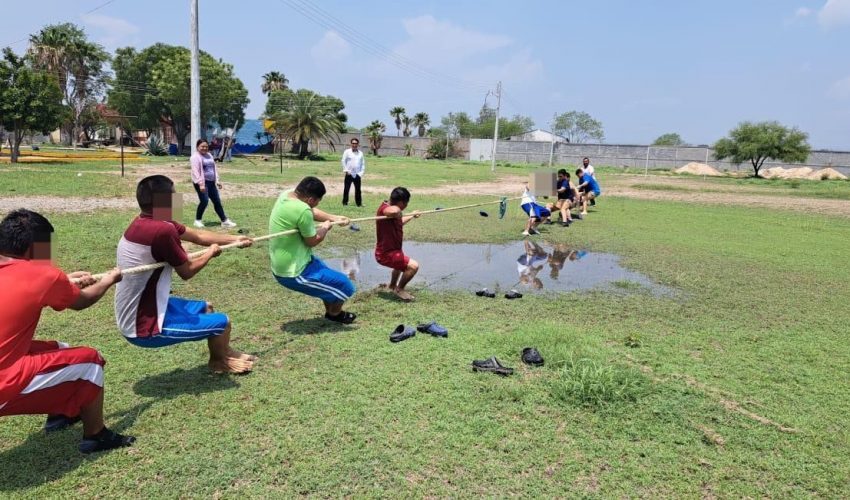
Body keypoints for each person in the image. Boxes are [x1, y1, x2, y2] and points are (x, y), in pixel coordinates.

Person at [0, 209, 135, 454]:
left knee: (60, 349)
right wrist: (108, 280)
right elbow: (82, 301)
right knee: (91, 362)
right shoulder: (43, 275)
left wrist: (64, 279)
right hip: (3, 382)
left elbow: (30, 284)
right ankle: (96, 435)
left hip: (7, 358)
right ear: (34, 249)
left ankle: (61, 413)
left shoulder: (30, 273)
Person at [114, 175, 256, 374]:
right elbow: (187, 271)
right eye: (174, 196)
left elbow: (198, 235)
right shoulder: (161, 230)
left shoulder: (145, 221)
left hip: (146, 307)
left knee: (206, 308)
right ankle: (219, 361)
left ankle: (224, 352)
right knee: (223, 323)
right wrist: (210, 254)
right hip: (141, 327)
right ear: (162, 201)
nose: (177, 199)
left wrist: (235, 239)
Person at [269, 176, 356, 324]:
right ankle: (334, 314)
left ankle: (330, 310)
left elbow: (311, 212)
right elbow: (312, 241)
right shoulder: (302, 210)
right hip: (293, 271)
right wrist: (325, 228)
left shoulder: (288, 195)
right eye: (318, 200)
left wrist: (334, 218)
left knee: (330, 280)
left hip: (302, 259)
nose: (317, 203)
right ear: (310, 199)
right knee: (345, 286)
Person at [375, 187, 421, 302]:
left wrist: (411, 215)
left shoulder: (393, 215)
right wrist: (398, 211)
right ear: (401, 202)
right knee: (413, 266)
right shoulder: (385, 209)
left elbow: (399, 220)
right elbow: (392, 211)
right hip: (385, 254)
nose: (406, 206)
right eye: (406, 203)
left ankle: (392, 286)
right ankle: (399, 289)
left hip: (394, 251)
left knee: (399, 265)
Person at [190, 139, 237, 229]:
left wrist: (217, 181)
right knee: (204, 201)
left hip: (211, 182)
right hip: (202, 183)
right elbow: (195, 172)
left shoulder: (209, 155)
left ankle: (224, 221)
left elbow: (214, 168)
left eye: (206, 147)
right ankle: (197, 220)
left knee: (217, 201)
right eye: (202, 146)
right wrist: (201, 184)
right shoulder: (195, 157)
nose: (204, 148)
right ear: (197, 147)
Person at [341, 138, 365, 207]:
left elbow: (362, 164)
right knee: (346, 189)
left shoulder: (360, 153)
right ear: (351, 144)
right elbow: (343, 161)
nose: (354, 145)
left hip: (357, 174)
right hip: (349, 173)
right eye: (353, 143)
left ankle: (359, 204)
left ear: (358, 144)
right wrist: (346, 170)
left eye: (356, 143)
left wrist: (360, 173)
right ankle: (345, 203)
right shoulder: (347, 152)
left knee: (358, 190)